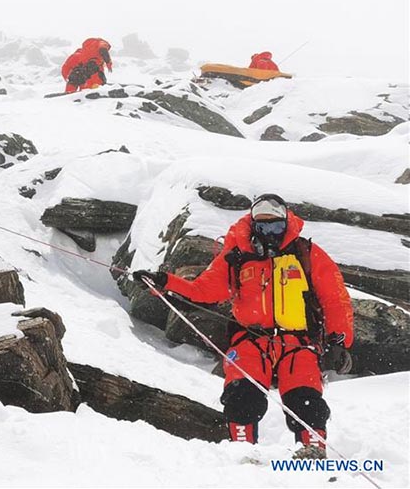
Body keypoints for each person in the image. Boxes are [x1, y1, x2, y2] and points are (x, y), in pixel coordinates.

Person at [133, 194, 353, 458]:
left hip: (298, 342)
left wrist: (339, 342)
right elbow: (203, 290)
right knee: (241, 396)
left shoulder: (306, 253)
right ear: (253, 225)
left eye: (275, 226)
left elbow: (335, 299)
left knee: (305, 400)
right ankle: (242, 454)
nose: (270, 233)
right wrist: (165, 282)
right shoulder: (236, 256)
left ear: (285, 223)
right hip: (250, 341)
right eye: (263, 227)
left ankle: (313, 453)